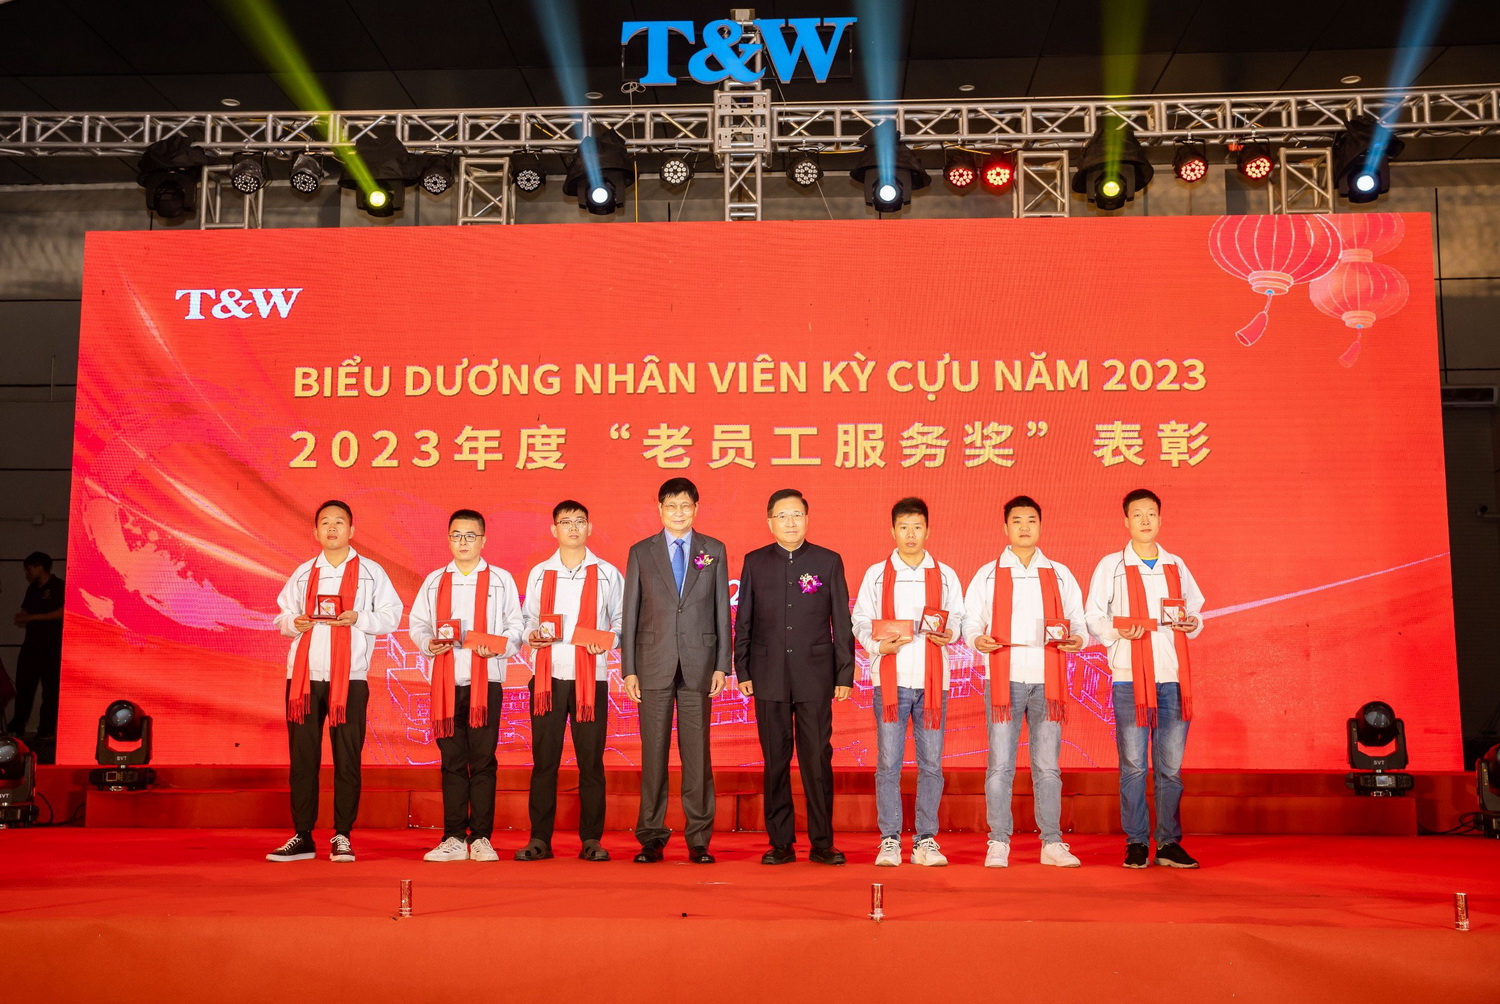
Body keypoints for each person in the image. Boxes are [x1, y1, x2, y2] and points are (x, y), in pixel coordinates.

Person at [267, 500, 403, 863]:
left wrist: (359, 617)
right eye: (325, 522)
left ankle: (342, 834)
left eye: (339, 522)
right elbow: (282, 616)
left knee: (347, 759)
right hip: (304, 678)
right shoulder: (303, 572)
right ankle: (302, 835)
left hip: (350, 678)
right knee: (303, 758)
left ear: (352, 530)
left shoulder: (372, 572)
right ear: (315, 532)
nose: (331, 528)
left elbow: (391, 615)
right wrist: (294, 623)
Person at [963, 495, 1088, 869]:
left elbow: (1078, 622)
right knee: (1000, 765)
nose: (1024, 527)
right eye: (1017, 520)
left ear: (1040, 526)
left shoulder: (1059, 574)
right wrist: (977, 639)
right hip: (1005, 678)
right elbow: (971, 621)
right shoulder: (988, 574)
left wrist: (1078, 639)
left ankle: (1052, 842)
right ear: (1005, 527)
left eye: (1031, 520)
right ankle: (998, 841)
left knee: (1047, 766)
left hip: (1047, 681)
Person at [1085, 488, 1205, 870]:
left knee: (1170, 768)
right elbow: (1093, 617)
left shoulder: (1176, 565)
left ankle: (1168, 843)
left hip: (1172, 677)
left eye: (1151, 513)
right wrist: (1118, 631)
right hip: (1129, 679)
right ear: (1126, 521)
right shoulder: (1112, 566)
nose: (1145, 520)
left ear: (1160, 518)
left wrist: (1192, 622)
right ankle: (1136, 841)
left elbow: (1195, 611)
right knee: (1134, 765)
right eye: (1137, 514)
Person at [734, 489, 855, 866]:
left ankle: (822, 842)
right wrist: (743, 668)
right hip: (767, 674)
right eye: (782, 516)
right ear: (770, 522)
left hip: (815, 676)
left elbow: (842, 620)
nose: (790, 522)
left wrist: (844, 673)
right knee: (775, 760)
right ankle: (780, 842)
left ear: (807, 519)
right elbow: (744, 620)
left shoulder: (828, 561)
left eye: (797, 515)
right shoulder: (755, 562)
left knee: (816, 760)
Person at [621, 477, 731, 864]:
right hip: (652, 664)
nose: (679, 512)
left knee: (697, 755)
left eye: (685, 505)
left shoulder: (713, 550)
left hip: (700, 665)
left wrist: (722, 664)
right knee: (653, 754)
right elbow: (630, 612)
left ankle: (699, 838)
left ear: (696, 508)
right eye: (671, 506)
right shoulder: (641, 552)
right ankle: (651, 835)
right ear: (660, 509)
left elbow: (721, 609)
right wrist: (629, 668)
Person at [851, 497, 965, 867]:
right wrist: (876, 645)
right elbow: (860, 620)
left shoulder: (944, 575)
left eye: (917, 527)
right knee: (888, 763)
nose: (910, 534)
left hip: (933, 683)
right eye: (904, 527)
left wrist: (951, 633)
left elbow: (958, 618)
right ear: (893, 531)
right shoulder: (877, 574)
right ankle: (889, 839)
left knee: (931, 763)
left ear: (927, 530)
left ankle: (926, 840)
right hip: (891, 680)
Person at [408, 509, 523, 863]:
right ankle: (454, 837)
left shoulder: (501, 580)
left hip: (485, 682)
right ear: (448, 540)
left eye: (470, 536)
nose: (463, 542)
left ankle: (482, 837)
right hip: (445, 684)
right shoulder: (434, 581)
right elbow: (418, 624)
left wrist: (498, 646)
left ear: (483, 540)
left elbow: (516, 627)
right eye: (457, 535)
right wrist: (427, 643)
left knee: (483, 760)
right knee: (452, 761)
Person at [515, 500, 624, 863]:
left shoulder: (608, 573)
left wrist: (607, 640)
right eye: (566, 522)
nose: (573, 528)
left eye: (580, 521)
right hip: (547, 680)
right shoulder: (539, 573)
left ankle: (591, 839)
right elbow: (528, 620)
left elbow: (622, 622)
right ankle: (539, 839)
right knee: (544, 762)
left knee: (591, 763)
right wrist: (531, 636)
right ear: (554, 530)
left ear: (590, 528)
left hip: (590, 679)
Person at [8, 552, 65, 753]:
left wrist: (33, 617)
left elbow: (63, 612)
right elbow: (26, 610)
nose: (28, 573)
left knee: (50, 690)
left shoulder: (58, 586)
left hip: (51, 647)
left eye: (30, 569)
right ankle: (16, 727)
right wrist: (23, 615)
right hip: (31, 645)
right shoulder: (32, 588)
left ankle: (46, 730)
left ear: (40, 567)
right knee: (24, 687)